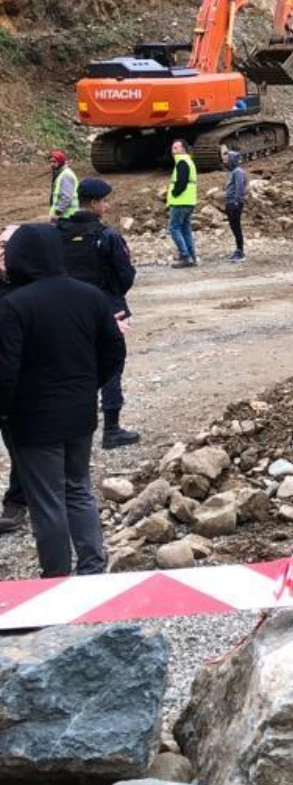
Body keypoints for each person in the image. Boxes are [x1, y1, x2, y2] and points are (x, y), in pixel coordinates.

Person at [0, 224, 125, 576]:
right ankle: (92, 566)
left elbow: (5, 370)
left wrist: (4, 412)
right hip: (80, 412)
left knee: (47, 503)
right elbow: (114, 350)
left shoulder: (14, 306)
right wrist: (89, 385)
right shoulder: (89, 296)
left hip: (32, 420)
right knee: (78, 489)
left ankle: (55, 580)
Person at [57, 177, 139, 449]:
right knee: (111, 365)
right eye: (104, 201)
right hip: (106, 307)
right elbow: (126, 274)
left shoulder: (58, 232)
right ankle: (111, 428)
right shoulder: (108, 236)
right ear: (94, 203)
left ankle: (74, 429)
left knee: (76, 367)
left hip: (69, 309)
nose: (107, 205)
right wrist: (113, 295)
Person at [0, 225, 25, 537]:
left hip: (17, 386)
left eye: (8, 246)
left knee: (20, 448)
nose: (3, 252)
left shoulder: (30, 290)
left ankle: (18, 500)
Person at [166, 138, 199, 268]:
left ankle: (185, 256)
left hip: (180, 202)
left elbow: (182, 182)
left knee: (174, 228)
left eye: (176, 148)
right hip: (189, 201)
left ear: (183, 149)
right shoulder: (188, 161)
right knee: (185, 229)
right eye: (173, 148)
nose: (173, 151)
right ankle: (191, 256)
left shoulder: (182, 162)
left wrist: (174, 193)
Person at [223, 149, 249, 262]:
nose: (225, 162)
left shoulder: (238, 172)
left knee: (236, 227)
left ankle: (240, 251)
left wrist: (236, 202)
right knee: (234, 227)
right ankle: (238, 250)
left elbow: (240, 188)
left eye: (226, 159)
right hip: (230, 202)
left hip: (234, 203)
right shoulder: (232, 172)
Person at [48, 150, 79, 220]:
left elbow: (66, 197)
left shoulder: (66, 175)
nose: (52, 164)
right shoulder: (61, 174)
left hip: (67, 216)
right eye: (50, 162)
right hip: (65, 216)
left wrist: (57, 213)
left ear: (61, 161)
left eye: (54, 162)